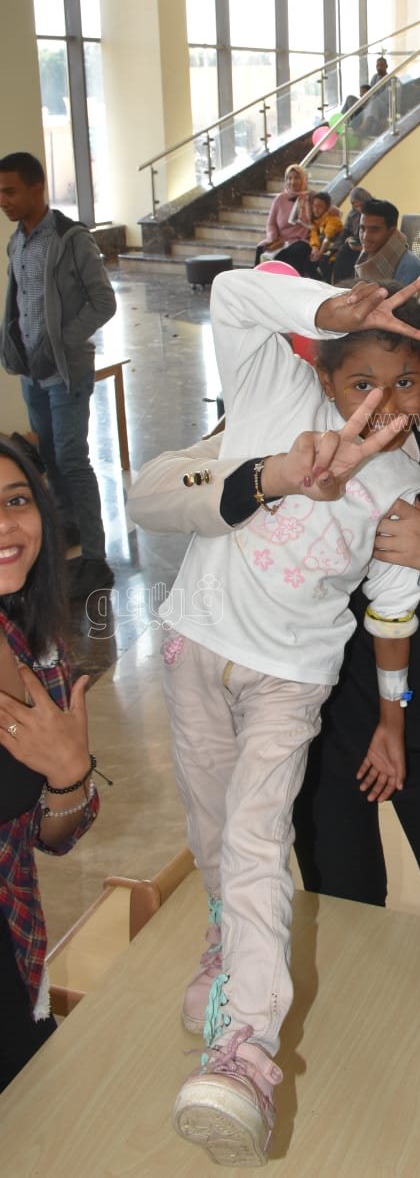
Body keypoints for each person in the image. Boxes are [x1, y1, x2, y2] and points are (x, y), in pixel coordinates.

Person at [129, 254, 420, 943]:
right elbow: (153, 493)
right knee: (338, 932)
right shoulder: (317, 410)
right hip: (323, 731)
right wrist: (273, 476)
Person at [128, 269, 420, 1165]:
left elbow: (394, 609)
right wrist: (322, 308)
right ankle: (227, 955)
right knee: (213, 835)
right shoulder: (274, 393)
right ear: (323, 371)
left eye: (405, 383)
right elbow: (231, 295)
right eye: (362, 379)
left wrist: (392, 720)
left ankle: (245, 1055)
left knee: (258, 840)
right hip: (195, 648)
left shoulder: (401, 482)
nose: (383, 403)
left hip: (289, 685)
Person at [0, 432, 100, 1093]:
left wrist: (69, 775)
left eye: (16, 500)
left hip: (15, 940)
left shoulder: (33, 646)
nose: (6, 526)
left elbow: (52, 835)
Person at [0, 151, 116, 601]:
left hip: (66, 374)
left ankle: (96, 558)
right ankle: (69, 528)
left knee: (71, 461)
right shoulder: (17, 243)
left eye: (10, 191)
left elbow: (104, 302)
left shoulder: (70, 238)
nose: (4, 200)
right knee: (48, 458)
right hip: (32, 375)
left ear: (37, 188)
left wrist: (61, 341)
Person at [254, 165, 312, 272]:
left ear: (303, 179)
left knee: (295, 251)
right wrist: (272, 238)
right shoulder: (279, 199)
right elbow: (271, 224)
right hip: (281, 240)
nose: (292, 182)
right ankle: (258, 279)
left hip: (301, 240)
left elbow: (327, 209)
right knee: (261, 248)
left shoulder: (310, 198)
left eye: (297, 178)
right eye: (289, 178)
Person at [356, 199, 420, 286]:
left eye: (374, 230)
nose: (365, 237)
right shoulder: (365, 257)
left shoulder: (412, 269)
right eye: (362, 228)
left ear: (391, 231)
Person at [329, 185, 370, 283]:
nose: (359, 209)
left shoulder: (375, 212)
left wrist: (362, 246)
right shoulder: (352, 214)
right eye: (356, 206)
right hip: (355, 243)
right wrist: (334, 249)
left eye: (361, 205)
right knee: (340, 254)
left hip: (369, 244)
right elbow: (345, 232)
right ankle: (339, 284)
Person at [307, 192, 343, 282]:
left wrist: (319, 254)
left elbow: (327, 238)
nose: (316, 209)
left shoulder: (333, 219)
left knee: (324, 261)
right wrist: (314, 248)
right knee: (308, 260)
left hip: (335, 249)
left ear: (327, 208)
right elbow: (313, 235)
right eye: (314, 206)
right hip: (324, 248)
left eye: (320, 206)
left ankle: (332, 284)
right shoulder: (316, 221)